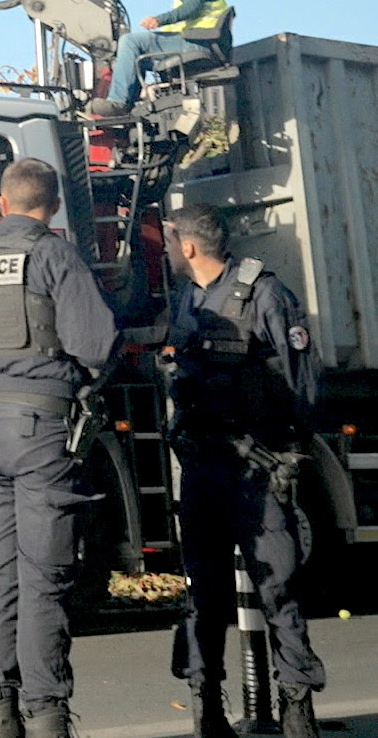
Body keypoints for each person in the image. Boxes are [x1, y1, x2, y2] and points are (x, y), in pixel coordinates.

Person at [0, 158, 119, 738]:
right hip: (40, 430)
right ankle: (47, 716)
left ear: (3, 204)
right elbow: (95, 344)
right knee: (46, 576)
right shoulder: (54, 255)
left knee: (3, 573)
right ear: (53, 205)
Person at [161, 204, 325, 738]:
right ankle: (208, 710)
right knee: (204, 595)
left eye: (169, 241)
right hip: (205, 467)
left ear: (188, 247)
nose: (166, 250)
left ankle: (296, 711)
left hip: (257, 470)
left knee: (278, 588)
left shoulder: (265, 292)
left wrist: (290, 447)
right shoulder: (188, 299)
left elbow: (302, 380)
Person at [87, 0, 230, 116]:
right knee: (136, 58)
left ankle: (118, 101)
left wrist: (159, 20)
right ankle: (130, 107)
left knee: (130, 41)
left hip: (198, 44)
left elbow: (190, 8)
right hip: (198, 44)